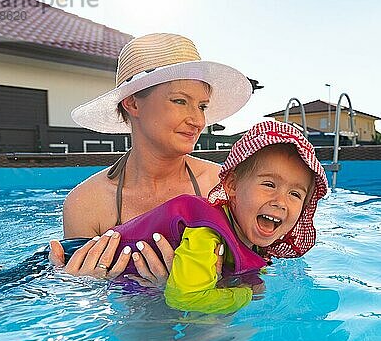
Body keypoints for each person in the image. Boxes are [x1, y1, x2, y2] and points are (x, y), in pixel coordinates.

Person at [47, 33, 254, 282]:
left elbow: (256, 280)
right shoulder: (86, 203)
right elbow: (88, 310)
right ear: (133, 104)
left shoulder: (221, 185)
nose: (198, 121)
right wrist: (81, 285)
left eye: (202, 106)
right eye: (180, 101)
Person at [61, 121, 328, 314]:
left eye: (295, 194)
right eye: (269, 185)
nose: (280, 201)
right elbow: (185, 298)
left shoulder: (245, 224)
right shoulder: (205, 234)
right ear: (232, 187)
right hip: (112, 285)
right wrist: (247, 293)